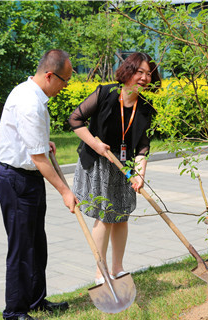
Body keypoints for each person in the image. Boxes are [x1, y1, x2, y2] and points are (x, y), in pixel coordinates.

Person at [0, 49, 77, 320]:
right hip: (16, 180)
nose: (64, 87)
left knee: (37, 244)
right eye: (64, 81)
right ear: (50, 75)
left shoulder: (31, 93)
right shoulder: (29, 101)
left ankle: (36, 300)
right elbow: (39, 159)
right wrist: (66, 192)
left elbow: (33, 145)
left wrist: (44, 141)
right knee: (21, 247)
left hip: (28, 178)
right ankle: (15, 311)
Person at [68, 52, 161, 285]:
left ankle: (118, 268)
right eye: (139, 71)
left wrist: (139, 175)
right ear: (128, 71)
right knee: (105, 215)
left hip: (125, 167)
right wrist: (96, 144)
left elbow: (142, 148)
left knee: (121, 217)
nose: (144, 77)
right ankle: (101, 272)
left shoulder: (146, 108)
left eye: (148, 73)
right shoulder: (106, 93)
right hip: (99, 162)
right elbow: (75, 120)